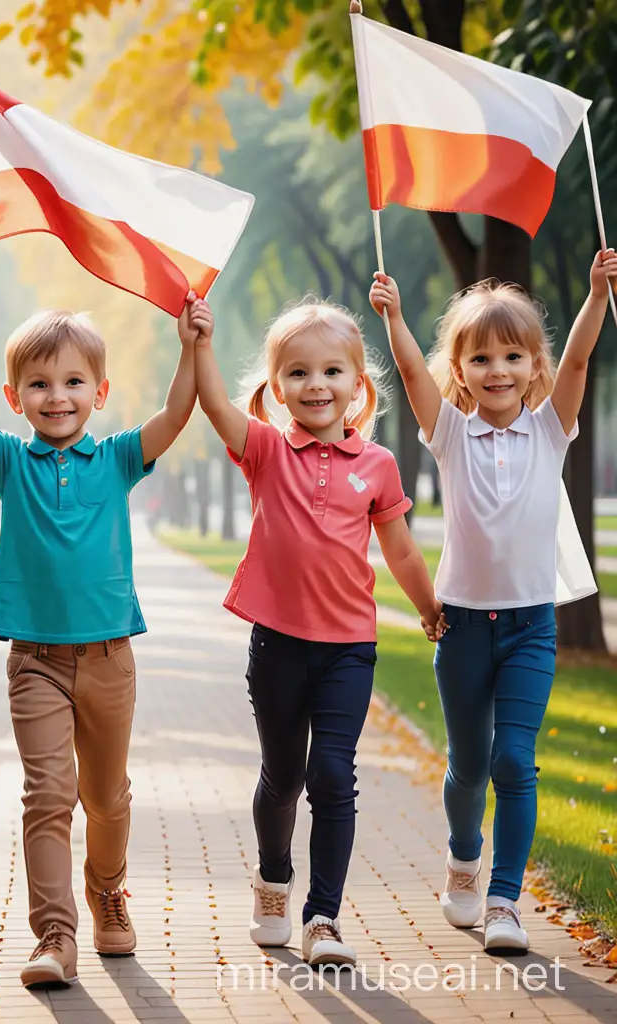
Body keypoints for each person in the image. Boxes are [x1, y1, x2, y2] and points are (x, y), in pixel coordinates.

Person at [0, 291, 210, 987]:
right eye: (39, 384)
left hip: (110, 659)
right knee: (49, 794)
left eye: (73, 382)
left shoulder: (119, 459)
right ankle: (55, 936)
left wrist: (193, 347)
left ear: (99, 392)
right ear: (16, 397)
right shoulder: (11, 462)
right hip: (35, 662)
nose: (57, 397)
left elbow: (175, 415)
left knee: (107, 798)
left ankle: (108, 890)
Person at [370, 250, 617, 952]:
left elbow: (576, 365)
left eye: (512, 356)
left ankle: (505, 900)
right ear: (462, 371)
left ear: (532, 367)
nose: (498, 370)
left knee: (516, 759)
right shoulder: (450, 433)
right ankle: (462, 858)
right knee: (469, 764)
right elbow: (414, 373)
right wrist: (393, 318)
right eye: (480, 359)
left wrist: (597, 294)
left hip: (532, 627)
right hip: (463, 625)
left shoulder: (549, 431)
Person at [194, 297, 444, 967]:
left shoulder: (380, 465)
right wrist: (200, 345)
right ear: (278, 388)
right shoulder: (269, 450)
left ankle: (323, 918)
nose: (316, 385)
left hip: (348, 649)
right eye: (299, 373)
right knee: (283, 775)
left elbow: (401, 552)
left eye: (332, 371)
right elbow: (217, 408)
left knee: (332, 774)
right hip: (276, 643)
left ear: (358, 383)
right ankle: (274, 878)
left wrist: (428, 607)